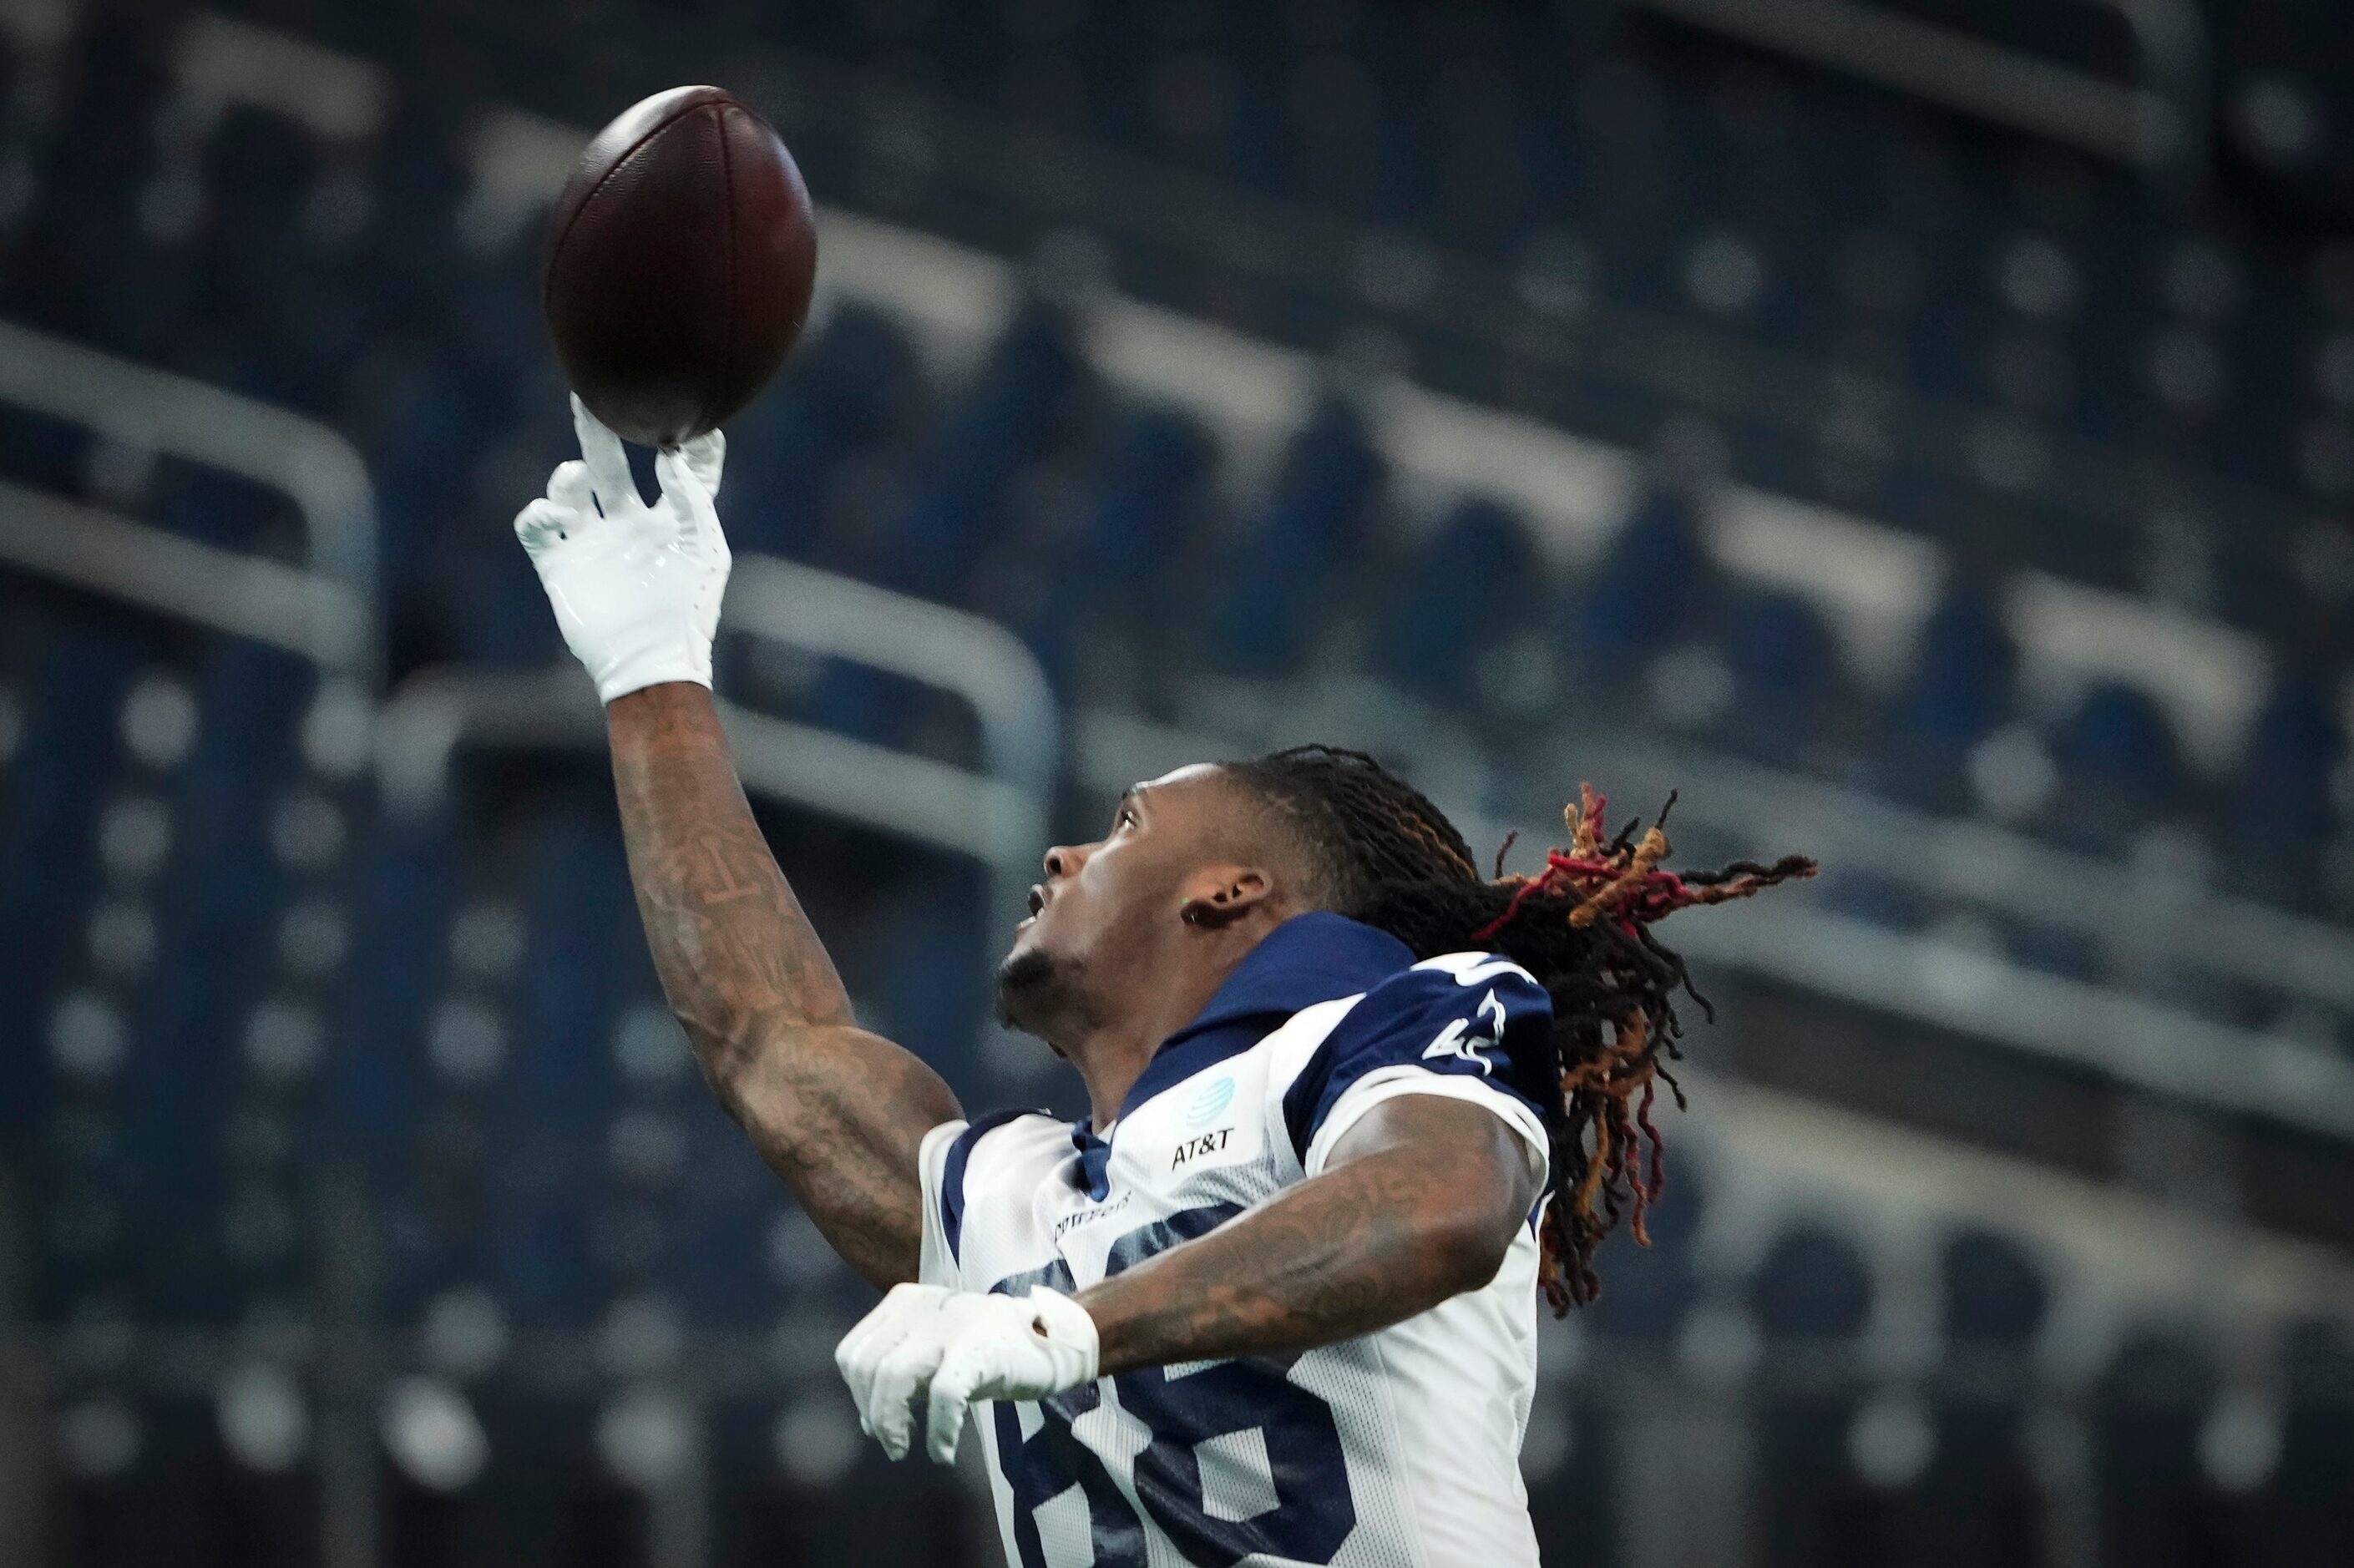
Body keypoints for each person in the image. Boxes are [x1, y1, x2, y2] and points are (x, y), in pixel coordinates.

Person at [516, 400, 1813, 1566]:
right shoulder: (1025, 1198)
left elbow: (1444, 1204)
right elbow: (767, 1041)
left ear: (1229, 893)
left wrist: (1072, 1328)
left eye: (1126, 823)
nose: (1065, 850)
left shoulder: (1394, 1023)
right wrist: (653, 674)